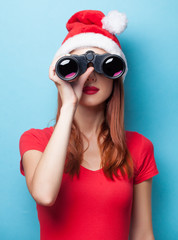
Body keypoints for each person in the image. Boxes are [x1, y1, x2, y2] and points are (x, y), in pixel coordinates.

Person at [19, 10, 159, 240]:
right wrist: (69, 105)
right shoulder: (36, 141)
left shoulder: (139, 147)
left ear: (116, 75)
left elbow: (142, 234)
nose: (91, 76)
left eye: (104, 64)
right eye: (80, 65)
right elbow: (44, 194)